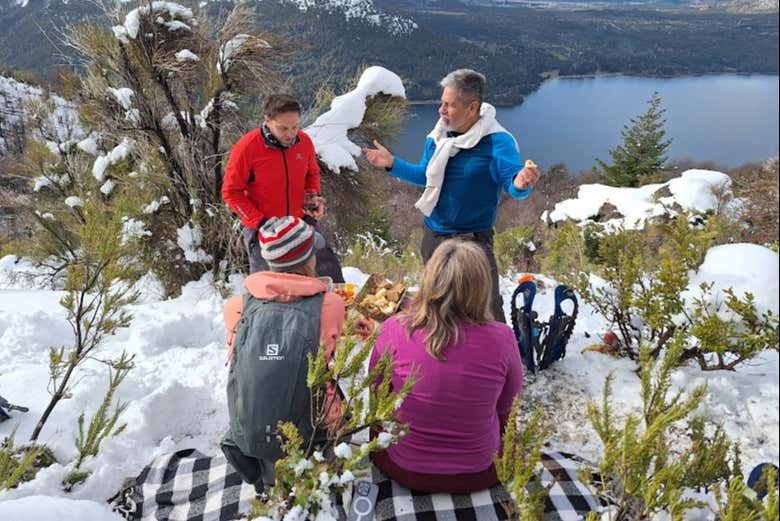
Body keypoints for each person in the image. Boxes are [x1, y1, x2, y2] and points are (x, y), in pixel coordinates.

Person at [363, 69, 540, 322]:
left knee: (488, 311)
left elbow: (512, 182)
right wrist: (391, 163)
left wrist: (522, 183)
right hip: (435, 237)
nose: (441, 110)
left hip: (474, 243)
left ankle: (500, 360)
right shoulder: (439, 136)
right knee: (438, 309)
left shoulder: (496, 141)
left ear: (472, 107)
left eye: (448, 105)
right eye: (441, 102)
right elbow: (427, 177)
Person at [368, 239, 523, 493]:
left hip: (403, 468)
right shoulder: (503, 338)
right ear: (483, 287)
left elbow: (377, 400)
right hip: (480, 473)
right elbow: (507, 411)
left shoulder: (393, 330)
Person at [220, 216, 346, 494]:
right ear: (309, 258)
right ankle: (325, 468)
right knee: (330, 395)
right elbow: (335, 349)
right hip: (313, 428)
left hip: (251, 425)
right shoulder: (331, 304)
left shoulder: (236, 306)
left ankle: (269, 481)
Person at [222, 94, 344, 282]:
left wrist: (312, 197)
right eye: (283, 128)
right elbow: (231, 192)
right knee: (269, 288)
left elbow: (312, 173)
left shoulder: (303, 142)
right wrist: (261, 223)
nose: (290, 133)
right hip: (263, 229)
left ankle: (337, 310)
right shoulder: (247, 148)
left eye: (295, 126)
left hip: (301, 223)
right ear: (267, 121)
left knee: (331, 277)